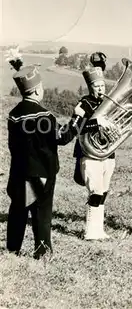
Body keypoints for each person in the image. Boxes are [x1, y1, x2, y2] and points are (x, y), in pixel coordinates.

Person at [5, 49, 81, 259]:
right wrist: (77, 119)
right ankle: (42, 251)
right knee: (42, 213)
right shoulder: (44, 116)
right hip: (42, 174)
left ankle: (12, 249)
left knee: (18, 210)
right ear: (37, 90)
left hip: (19, 174)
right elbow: (62, 138)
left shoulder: (13, 115)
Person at [72, 53, 116, 240]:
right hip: (89, 153)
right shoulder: (84, 103)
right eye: (97, 86)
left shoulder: (110, 103)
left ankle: (99, 229)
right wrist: (96, 122)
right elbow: (77, 127)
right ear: (90, 87)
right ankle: (90, 230)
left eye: (102, 85)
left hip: (108, 153)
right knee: (95, 191)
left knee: (103, 192)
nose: (100, 89)